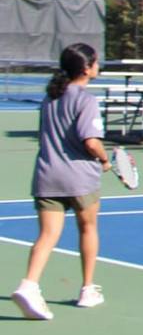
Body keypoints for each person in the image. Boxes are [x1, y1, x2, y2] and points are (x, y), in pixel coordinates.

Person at [13, 43, 116, 320]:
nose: (98, 65)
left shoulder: (50, 98)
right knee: (88, 228)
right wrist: (106, 161)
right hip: (80, 178)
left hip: (47, 176)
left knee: (46, 236)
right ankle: (87, 290)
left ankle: (29, 285)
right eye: (95, 62)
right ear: (86, 68)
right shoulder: (86, 100)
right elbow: (91, 141)